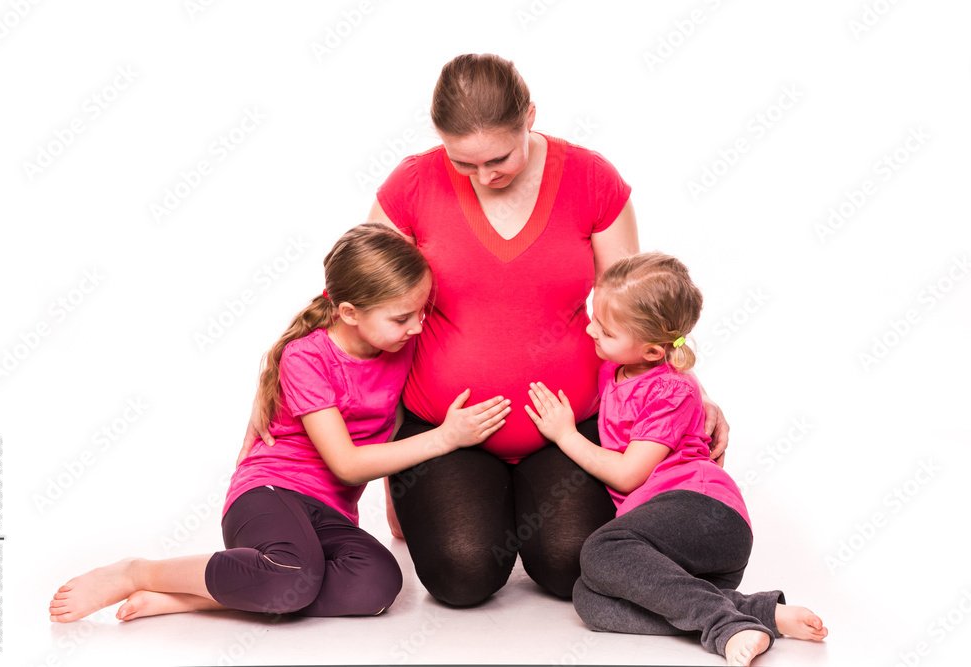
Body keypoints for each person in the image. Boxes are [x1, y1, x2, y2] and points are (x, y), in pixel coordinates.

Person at [246, 53, 729, 607]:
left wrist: (692, 393)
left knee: (573, 566)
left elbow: (640, 309)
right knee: (462, 575)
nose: (484, 177)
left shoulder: (591, 179)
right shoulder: (412, 184)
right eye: (463, 162)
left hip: (570, 425)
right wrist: (276, 395)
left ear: (528, 117)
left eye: (498, 158)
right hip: (443, 427)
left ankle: (517, 504)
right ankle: (419, 497)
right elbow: (359, 295)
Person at [48, 223, 511, 623]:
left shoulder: (399, 347)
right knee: (294, 574)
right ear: (349, 312)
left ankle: (194, 599)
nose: (417, 325)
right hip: (270, 493)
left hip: (328, 513)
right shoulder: (307, 357)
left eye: (422, 310)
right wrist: (448, 437)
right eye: (402, 317)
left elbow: (393, 426)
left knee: (378, 585)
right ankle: (138, 571)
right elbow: (347, 465)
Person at [525, 252, 827, 666]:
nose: (592, 329)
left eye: (606, 330)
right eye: (595, 316)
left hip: (704, 513)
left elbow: (629, 475)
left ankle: (725, 626)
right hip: (672, 548)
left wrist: (564, 434)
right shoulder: (616, 367)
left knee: (601, 550)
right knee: (589, 598)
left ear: (652, 351)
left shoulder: (670, 391)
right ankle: (757, 611)